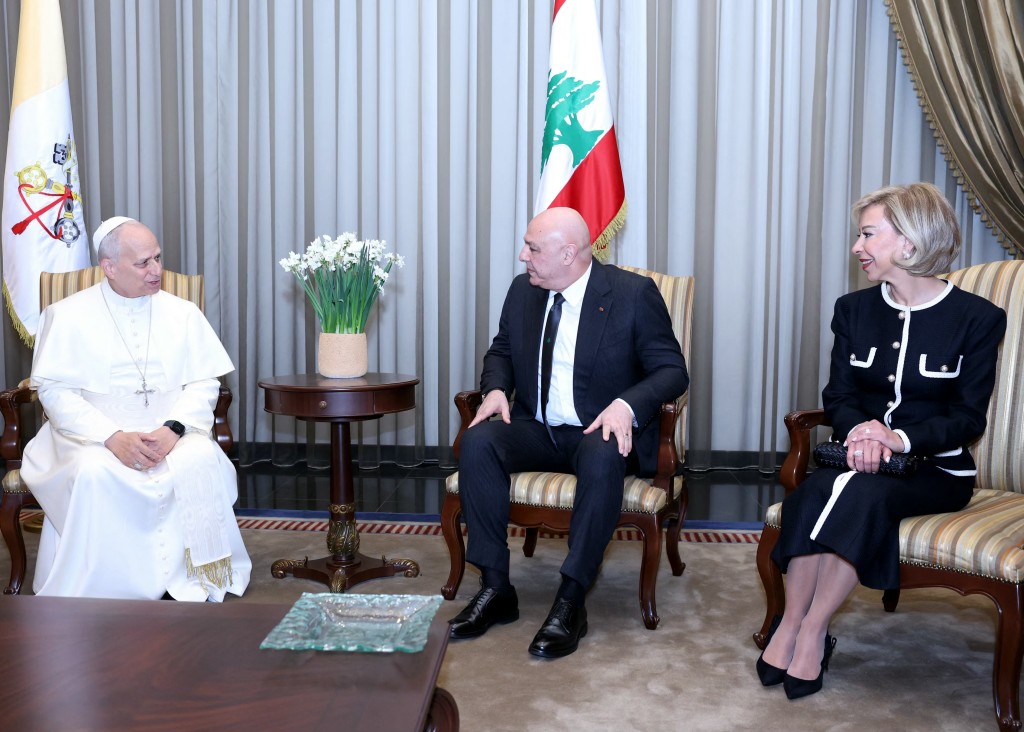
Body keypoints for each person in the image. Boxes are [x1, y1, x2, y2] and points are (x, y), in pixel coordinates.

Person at [759, 183, 1006, 699]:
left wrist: (896, 438)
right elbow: (840, 394)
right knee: (815, 492)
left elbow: (967, 418)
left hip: (936, 471)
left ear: (910, 243)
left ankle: (811, 628)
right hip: (855, 456)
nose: (857, 247)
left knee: (856, 492)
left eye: (868, 234)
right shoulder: (853, 310)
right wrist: (860, 433)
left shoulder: (978, 320)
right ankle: (791, 623)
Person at [449, 206, 689, 658]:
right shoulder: (525, 291)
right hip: (537, 429)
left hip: (596, 432)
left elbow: (672, 371)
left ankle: (571, 599)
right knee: (480, 441)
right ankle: (496, 588)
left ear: (569, 253)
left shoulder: (632, 294)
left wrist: (625, 405)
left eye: (533, 248)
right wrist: (497, 389)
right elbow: (500, 351)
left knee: (602, 452)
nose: (523, 256)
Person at [20, 216, 252, 601]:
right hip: (91, 437)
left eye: (158, 258)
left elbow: (204, 381)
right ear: (109, 268)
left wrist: (173, 429)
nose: (157, 270)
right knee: (94, 472)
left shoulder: (182, 313)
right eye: (143, 262)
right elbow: (56, 393)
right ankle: (104, 586)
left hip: (172, 432)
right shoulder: (66, 315)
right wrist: (111, 437)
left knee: (199, 459)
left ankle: (195, 577)